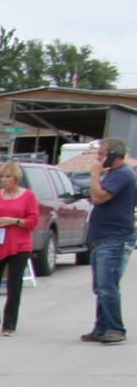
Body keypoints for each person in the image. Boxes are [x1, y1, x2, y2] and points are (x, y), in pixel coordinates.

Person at [82, 138, 135, 344]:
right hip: (103, 237)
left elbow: (99, 197)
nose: (98, 158)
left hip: (114, 238)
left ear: (113, 154)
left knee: (107, 285)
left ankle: (115, 328)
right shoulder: (115, 175)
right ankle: (101, 326)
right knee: (101, 286)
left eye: (102, 154)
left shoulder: (122, 174)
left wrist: (95, 175)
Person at [0, 162, 38, 335]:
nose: (4, 181)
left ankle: (9, 325)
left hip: (19, 245)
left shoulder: (28, 196)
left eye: (8, 177)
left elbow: (33, 221)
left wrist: (14, 221)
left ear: (16, 178)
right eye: (2, 177)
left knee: (14, 285)